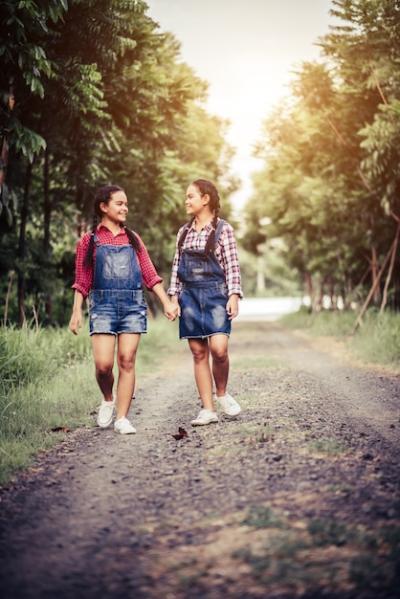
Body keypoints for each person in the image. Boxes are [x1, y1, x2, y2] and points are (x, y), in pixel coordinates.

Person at [69, 184, 178, 434]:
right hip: (102, 306)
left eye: (126, 203)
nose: (125, 207)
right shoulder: (89, 241)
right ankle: (108, 398)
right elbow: (82, 279)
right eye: (119, 203)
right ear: (103, 207)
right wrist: (76, 312)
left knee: (127, 360)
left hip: (132, 305)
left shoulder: (133, 238)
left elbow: (150, 274)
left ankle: (122, 417)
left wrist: (167, 303)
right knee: (103, 365)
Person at [168, 179, 243, 426]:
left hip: (216, 295)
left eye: (191, 196)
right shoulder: (183, 232)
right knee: (198, 352)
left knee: (219, 349)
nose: (186, 201)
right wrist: (173, 298)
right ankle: (208, 408)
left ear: (206, 198)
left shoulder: (223, 230)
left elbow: (232, 266)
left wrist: (233, 295)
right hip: (189, 296)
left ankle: (221, 393)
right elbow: (176, 267)